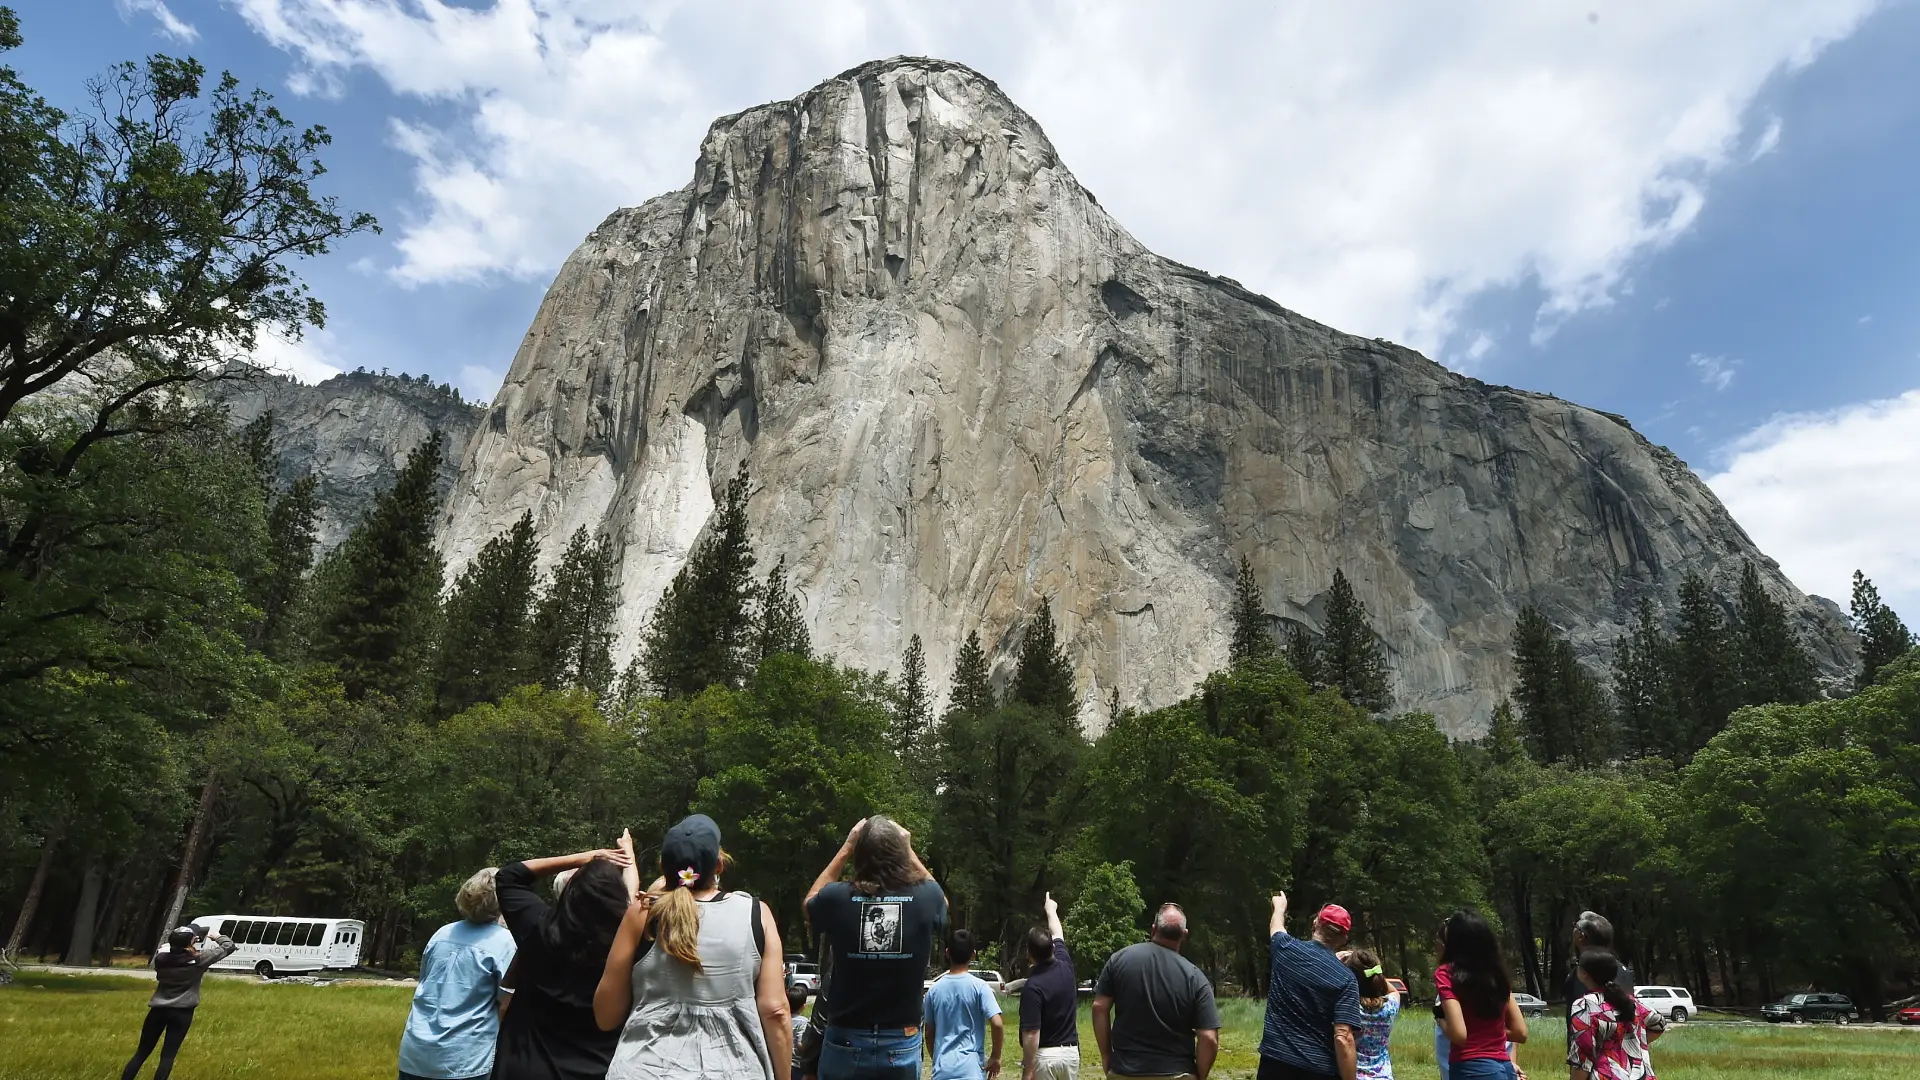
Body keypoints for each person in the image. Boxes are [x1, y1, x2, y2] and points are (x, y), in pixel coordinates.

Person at [596, 815, 792, 1080]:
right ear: (719, 866)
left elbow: (606, 1015)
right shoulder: (756, 914)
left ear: (663, 866)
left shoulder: (642, 915)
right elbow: (775, 1010)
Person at [804, 815, 947, 1080]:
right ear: (899, 855)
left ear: (859, 855)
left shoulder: (837, 897)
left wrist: (846, 847)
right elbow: (943, 903)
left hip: (846, 1038)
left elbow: (809, 903)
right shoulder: (926, 897)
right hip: (901, 1040)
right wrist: (909, 848)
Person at [494, 837, 638, 1080]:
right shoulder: (627, 949)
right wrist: (629, 860)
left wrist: (584, 858)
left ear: (570, 894)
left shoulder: (539, 929)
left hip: (524, 1069)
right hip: (595, 1070)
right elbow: (630, 908)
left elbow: (508, 876)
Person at [398, 867, 519, 1080]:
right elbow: (506, 1004)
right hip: (464, 1059)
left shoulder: (442, 933)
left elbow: (425, 981)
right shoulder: (507, 943)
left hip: (415, 1050)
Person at [1091, 903, 1222, 1080]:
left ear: (1153, 929)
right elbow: (1208, 1037)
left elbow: (1099, 1007)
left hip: (1125, 1070)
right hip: (1176, 1072)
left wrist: (1107, 1056)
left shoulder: (1119, 960)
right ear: (1184, 935)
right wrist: (1200, 1075)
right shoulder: (1195, 977)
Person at [1257, 894, 1360, 1080]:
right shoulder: (1346, 979)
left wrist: (1280, 907)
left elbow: (1276, 926)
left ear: (1315, 924)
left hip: (1274, 1063)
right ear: (1344, 938)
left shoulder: (1284, 948)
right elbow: (1343, 1037)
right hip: (1318, 1070)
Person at [120, 924, 236, 1080]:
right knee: (168, 1056)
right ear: (192, 941)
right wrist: (217, 937)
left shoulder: (160, 959)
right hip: (182, 1012)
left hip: (157, 1011)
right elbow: (229, 946)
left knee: (141, 1053)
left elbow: (171, 952)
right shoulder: (199, 959)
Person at [1433, 910, 1527, 1080]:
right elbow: (1520, 1032)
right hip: (1504, 1068)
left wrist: (1440, 1019)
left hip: (1472, 1068)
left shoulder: (1446, 974)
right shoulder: (1497, 974)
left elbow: (1459, 1035)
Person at [1566, 951, 1661, 1080]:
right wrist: (1627, 1043)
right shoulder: (1630, 1001)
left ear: (1583, 973)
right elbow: (1659, 1024)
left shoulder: (1584, 1005)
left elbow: (1583, 1056)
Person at [923, 929, 1005, 1080]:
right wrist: (995, 1057)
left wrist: (937, 1059)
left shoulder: (933, 991)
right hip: (971, 1070)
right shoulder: (980, 987)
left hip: (943, 1070)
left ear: (947, 953)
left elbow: (929, 1034)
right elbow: (997, 1024)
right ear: (973, 955)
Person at [1019, 893, 1080, 1080]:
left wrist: (1028, 1069)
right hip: (1070, 1055)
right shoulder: (1065, 964)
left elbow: (1031, 1033)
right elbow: (1057, 932)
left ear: (1029, 954)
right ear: (1053, 948)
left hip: (1045, 1057)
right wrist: (1051, 910)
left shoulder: (1033, 986)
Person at [1562, 913, 1635, 1043]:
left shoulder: (1585, 974)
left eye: (1575, 926)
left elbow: (1583, 1032)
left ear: (1580, 936)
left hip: (1595, 1059)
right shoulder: (1623, 970)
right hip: (1626, 1056)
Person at [1338, 949, 1398, 1080]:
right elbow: (1393, 990)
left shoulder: (1347, 1007)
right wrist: (1374, 970)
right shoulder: (1390, 1006)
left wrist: (1337, 964)